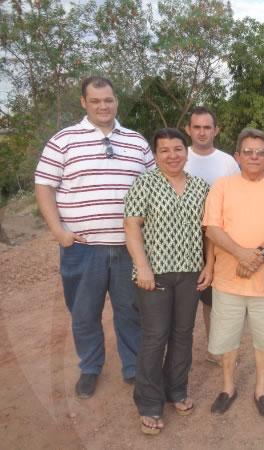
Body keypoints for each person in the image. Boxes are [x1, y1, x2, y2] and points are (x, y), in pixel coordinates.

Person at [34, 76, 154, 399]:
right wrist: (59, 231)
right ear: (84, 103)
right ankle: (90, 367)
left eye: (109, 100)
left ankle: (132, 366)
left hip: (129, 247)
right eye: (96, 100)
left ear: (116, 101)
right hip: (83, 249)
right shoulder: (63, 141)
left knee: (130, 310)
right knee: (84, 313)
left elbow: (153, 188)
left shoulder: (137, 142)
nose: (104, 106)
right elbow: (44, 185)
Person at [203, 128, 264, 418]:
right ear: (237, 156)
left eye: (260, 152)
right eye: (248, 151)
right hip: (227, 280)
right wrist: (241, 254)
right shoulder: (222, 186)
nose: (254, 157)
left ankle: (261, 390)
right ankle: (228, 387)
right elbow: (212, 227)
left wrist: (257, 255)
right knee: (227, 338)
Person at [123, 128, 210, 434]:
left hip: (189, 272)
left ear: (186, 152)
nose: (172, 155)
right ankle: (148, 402)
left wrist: (208, 265)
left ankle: (176, 390)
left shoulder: (201, 187)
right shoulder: (143, 183)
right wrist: (142, 267)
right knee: (155, 336)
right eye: (164, 150)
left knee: (183, 334)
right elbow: (131, 226)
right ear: (155, 154)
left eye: (177, 149)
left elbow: (208, 230)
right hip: (154, 275)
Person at [183, 106, 239, 365]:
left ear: (216, 130)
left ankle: (215, 349)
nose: (202, 132)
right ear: (188, 130)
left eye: (207, 127)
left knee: (212, 301)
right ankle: (178, 356)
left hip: (216, 242)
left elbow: (238, 199)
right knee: (181, 302)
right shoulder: (177, 157)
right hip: (180, 241)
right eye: (197, 127)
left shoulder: (227, 162)